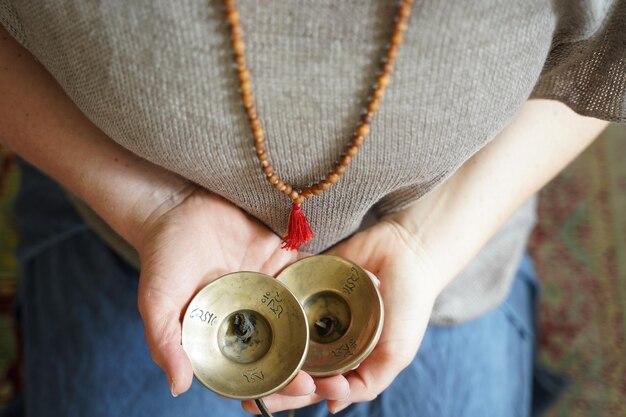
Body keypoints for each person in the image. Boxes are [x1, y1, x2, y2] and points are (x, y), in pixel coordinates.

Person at [0, 1, 623, 416]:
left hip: (455, 227)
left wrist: (425, 245)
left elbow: (607, 62)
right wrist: (153, 206)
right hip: (122, 225)